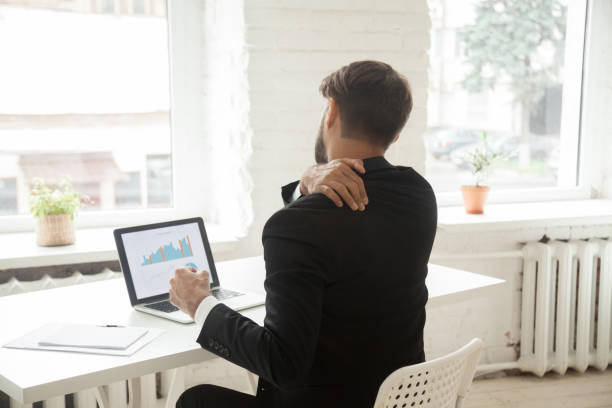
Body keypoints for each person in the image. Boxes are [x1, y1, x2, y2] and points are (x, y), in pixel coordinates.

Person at [169, 60, 438, 408]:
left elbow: (284, 364)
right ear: (396, 133)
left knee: (196, 400)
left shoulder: (294, 226)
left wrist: (200, 304)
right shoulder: (418, 195)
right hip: (398, 400)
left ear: (332, 111)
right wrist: (304, 185)